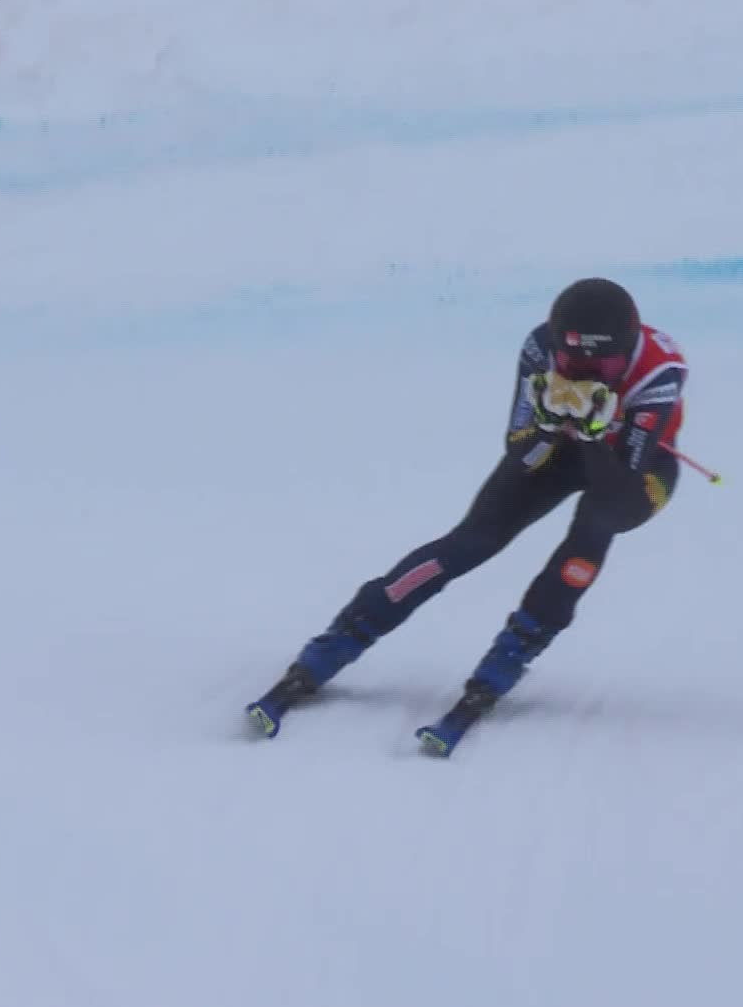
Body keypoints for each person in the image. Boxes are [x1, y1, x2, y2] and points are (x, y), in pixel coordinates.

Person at [244, 277, 691, 755]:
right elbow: (520, 454)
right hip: (560, 448)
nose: (587, 373)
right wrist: (548, 426)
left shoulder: (659, 370)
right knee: (471, 542)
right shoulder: (541, 346)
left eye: (602, 366)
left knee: (597, 525)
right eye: (573, 363)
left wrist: (591, 436)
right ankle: (347, 632)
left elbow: (620, 488)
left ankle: (516, 648)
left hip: (631, 471)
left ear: (626, 353)